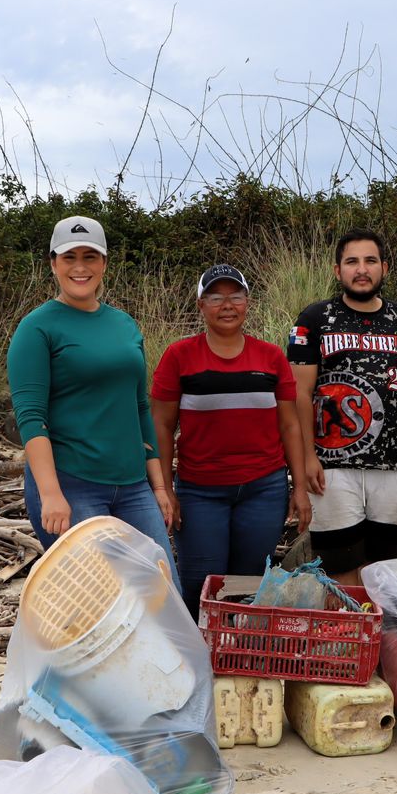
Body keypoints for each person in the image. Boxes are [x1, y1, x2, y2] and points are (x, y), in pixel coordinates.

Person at [7, 215, 177, 579]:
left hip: (133, 486)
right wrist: (51, 493)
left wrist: (159, 485)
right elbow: (31, 416)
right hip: (72, 484)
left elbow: (139, 406)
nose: (80, 267)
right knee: (97, 600)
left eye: (90, 256)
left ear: (104, 263)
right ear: (53, 263)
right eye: (69, 257)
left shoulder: (124, 324)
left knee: (163, 593)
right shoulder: (37, 327)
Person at [152, 263, 312, 617]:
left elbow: (290, 427)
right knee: (200, 583)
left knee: (247, 583)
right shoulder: (179, 357)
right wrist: (165, 489)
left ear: (247, 302)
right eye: (216, 297)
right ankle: (199, 661)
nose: (227, 305)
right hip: (199, 491)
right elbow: (161, 426)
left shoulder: (270, 357)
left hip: (263, 490)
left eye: (235, 296)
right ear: (200, 305)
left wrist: (299, 488)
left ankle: (236, 660)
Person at [287, 228, 397, 585]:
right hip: (333, 464)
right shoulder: (313, 320)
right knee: (339, 568)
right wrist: (307, 458)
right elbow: (298, 393)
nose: (361, 269)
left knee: (388, 572)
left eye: (370, 261)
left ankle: (379, 640)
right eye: (352, 261)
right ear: (338, 271)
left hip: (395, 464)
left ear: (385, 267)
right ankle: (346, 639)